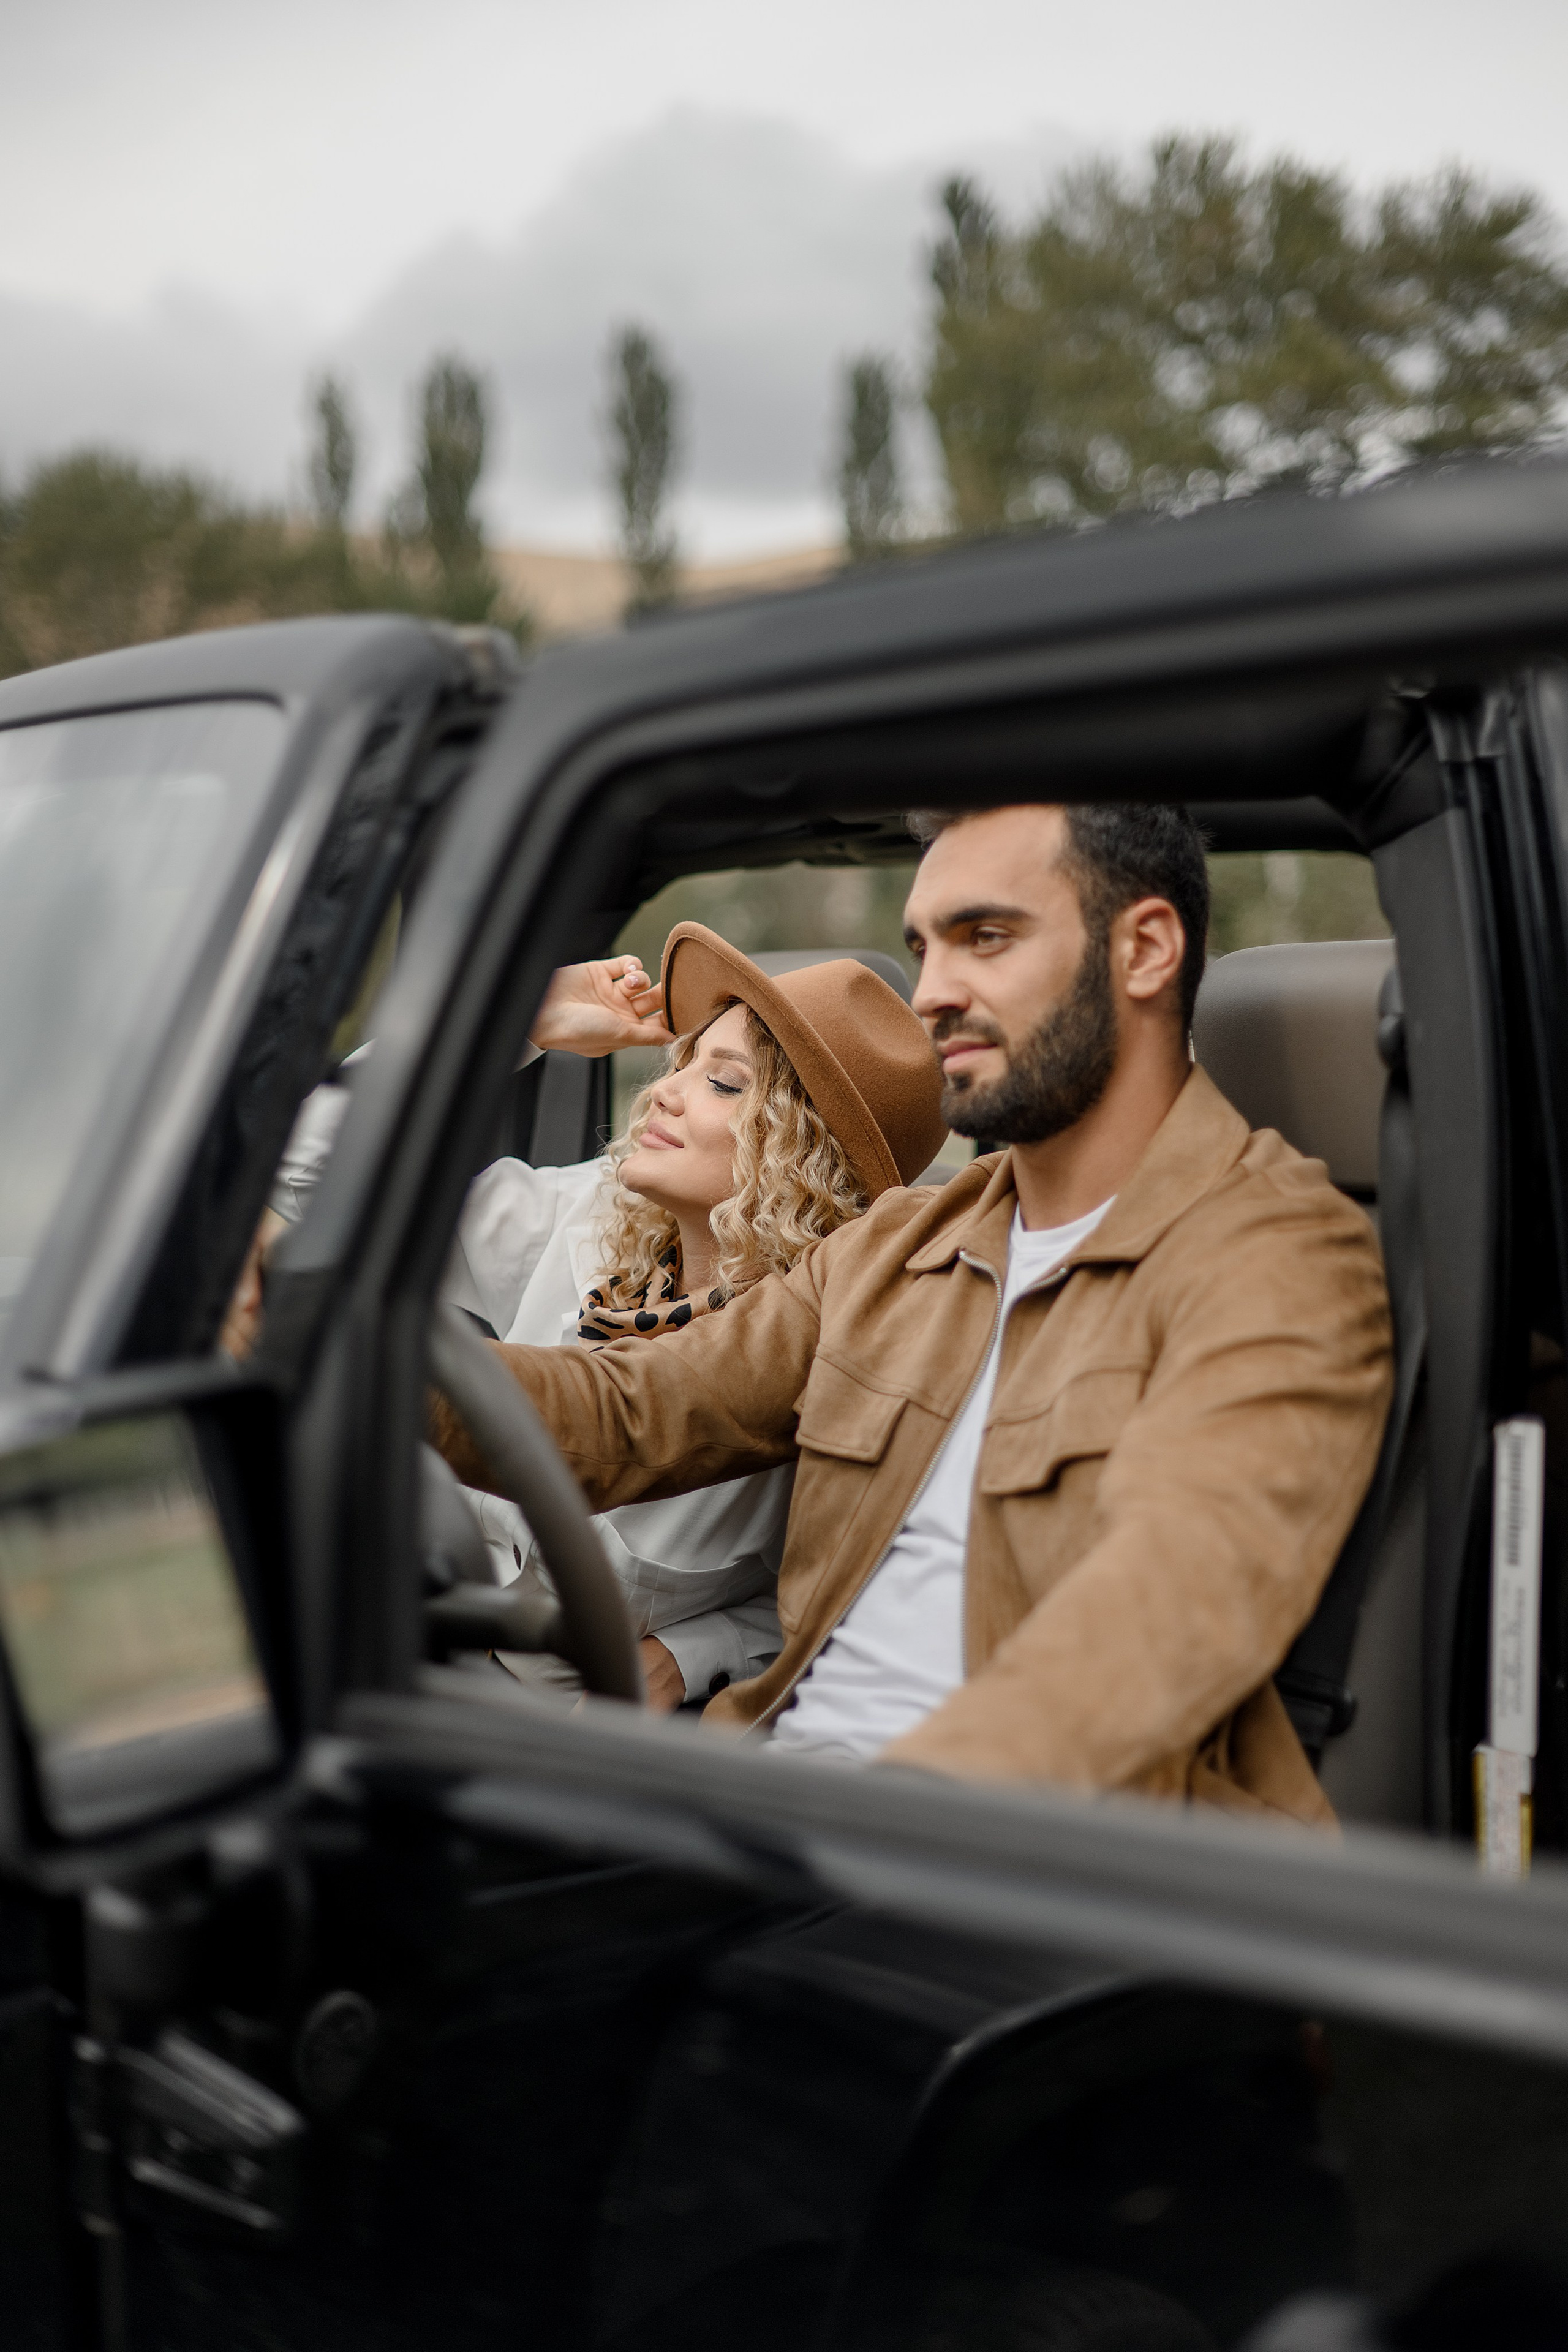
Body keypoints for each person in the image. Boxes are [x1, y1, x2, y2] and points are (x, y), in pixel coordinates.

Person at [434, 804, 1393, 1824]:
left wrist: (877, 1821)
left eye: (986, 938)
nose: (934, 994)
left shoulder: (1277, 1250)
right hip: (762, 1806)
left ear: (1146, 950)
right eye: (922, 948)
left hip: (1038, 1865)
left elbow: (1151, 1626)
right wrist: (350, 1339)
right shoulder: (902, 1243)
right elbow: (628, 1412)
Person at [265, 928, 946, 1711]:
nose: (665, 1089)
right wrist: (517, 1019)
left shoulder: (836, 1348)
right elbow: (304, 1170)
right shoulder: (586, 1213)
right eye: (682, 1061)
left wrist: (695, 1654)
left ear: (805, 1151)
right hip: (397, 1658)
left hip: (576, 1737)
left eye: (723, 1084)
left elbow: (858, 1576)